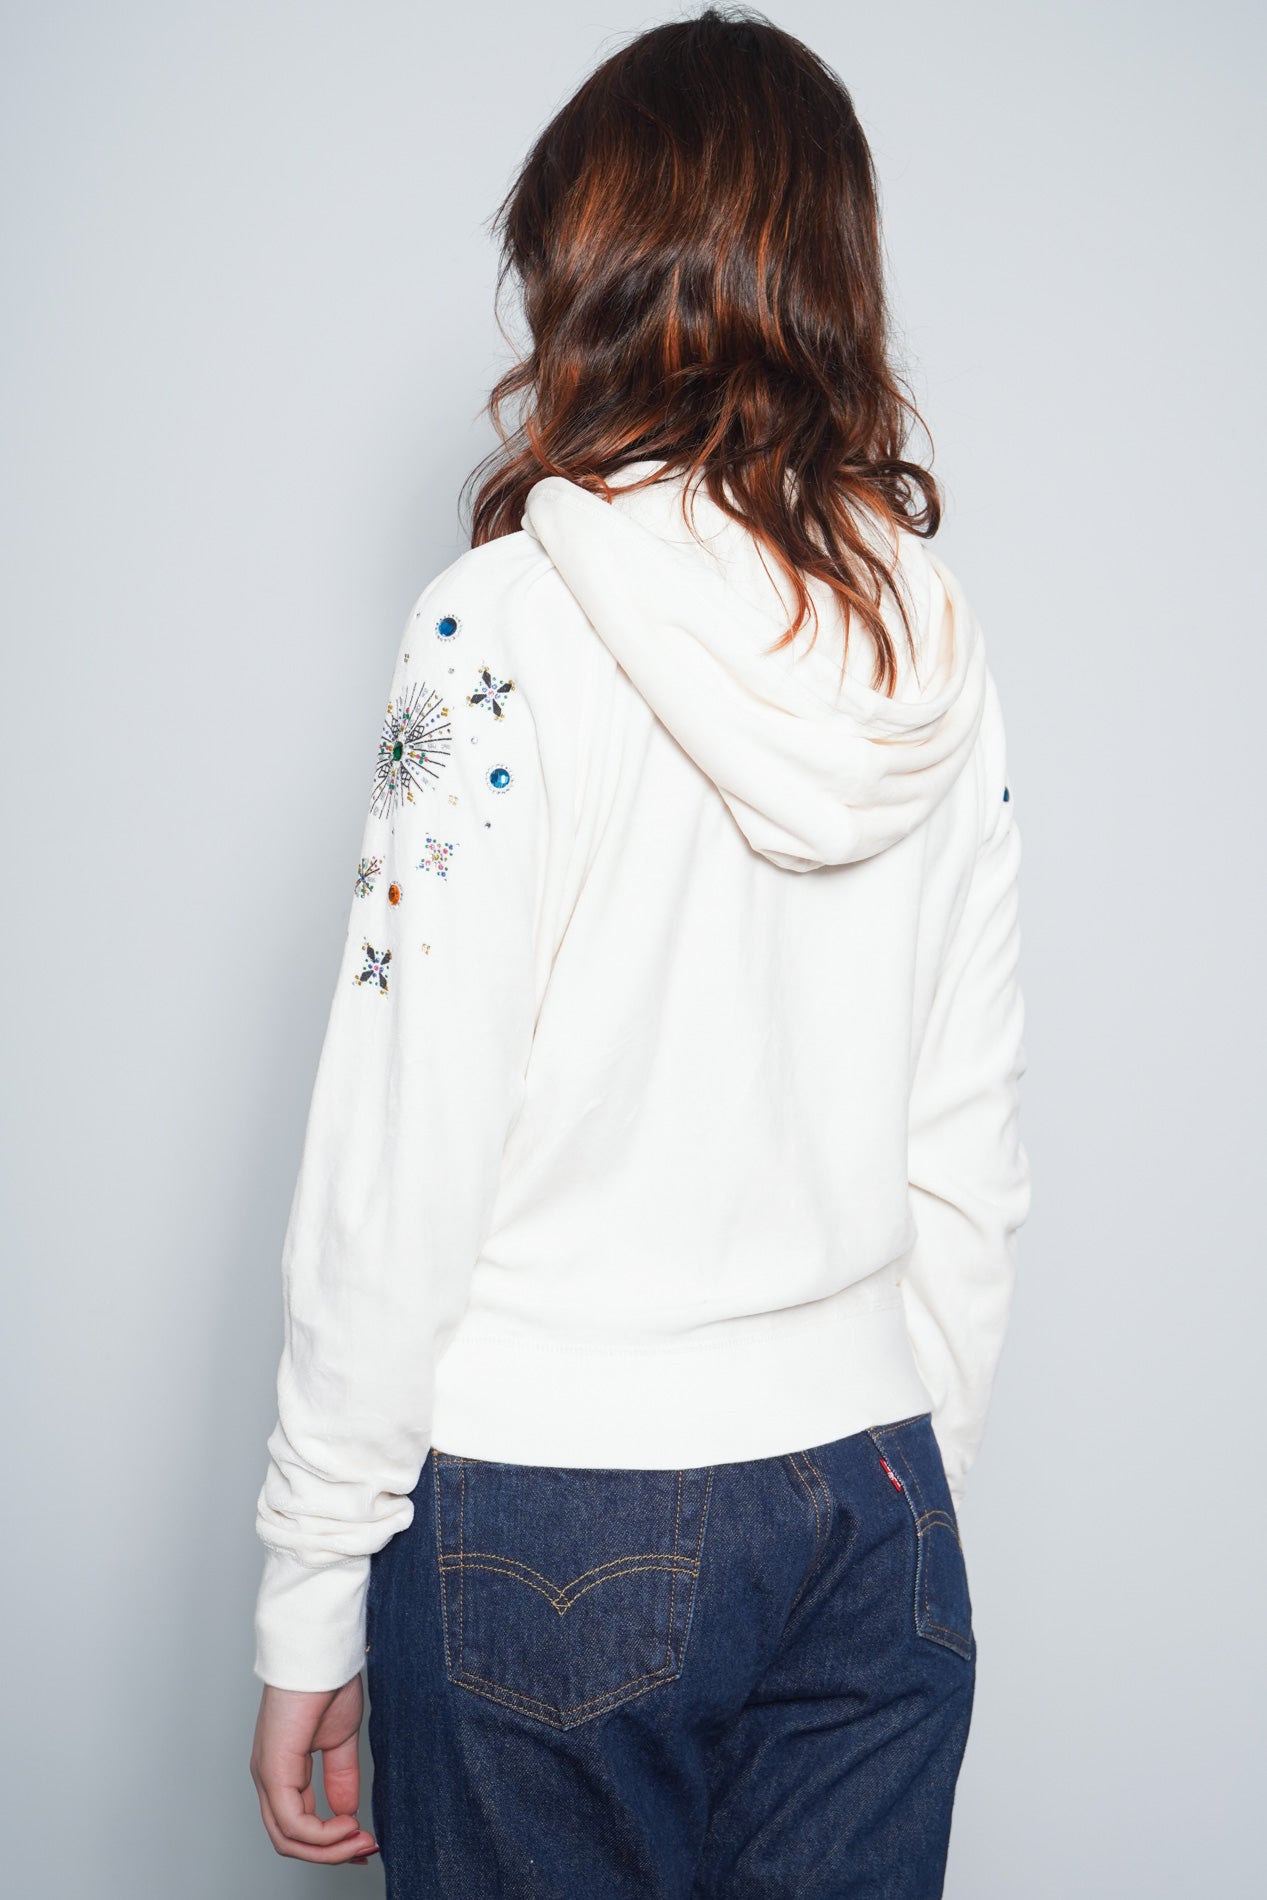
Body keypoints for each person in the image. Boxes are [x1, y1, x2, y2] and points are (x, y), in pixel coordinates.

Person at [247, 8, 1032, 1895]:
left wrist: (309, 1583)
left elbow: (406, 1145)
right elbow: (970, 1135)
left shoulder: (495, 629)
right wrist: (893, 1459)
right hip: (874, 1506)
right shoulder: (930, 648)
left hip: (549, 1507)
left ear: (593, 268)